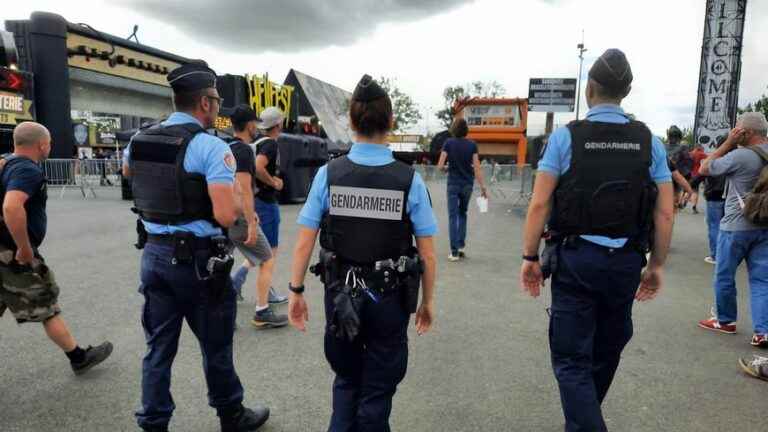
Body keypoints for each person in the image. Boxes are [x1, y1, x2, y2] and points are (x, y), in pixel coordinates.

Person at [520, 49, 674, 432]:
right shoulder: (649, 142)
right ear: (628, 91)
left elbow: (539, 202)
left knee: (571, 359)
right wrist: (656, 265)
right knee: (606, 350)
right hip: (625, 261)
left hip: (577, 260)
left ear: (589, 89)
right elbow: (665, 211)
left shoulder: (565, 138)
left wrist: (529, 256)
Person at [287, 75, 438, 432]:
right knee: (378, 390)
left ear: (351, 123)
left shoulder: (329, 174)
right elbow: (429, 255)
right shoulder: (409, 180)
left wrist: (295, 291)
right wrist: (427, 303)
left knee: (346, 379)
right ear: (391, 123)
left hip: (341, 295)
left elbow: (304, 241)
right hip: (389, 298)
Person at [123, 63, 269, 432]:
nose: (218, 108)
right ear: (205, 102)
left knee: (158, 347)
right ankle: (231, 415)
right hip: (198, 262)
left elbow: (131, 176)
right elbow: (223, 215)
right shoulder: (210, 147)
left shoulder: (138, 140)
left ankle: (153, 421)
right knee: (215, 346)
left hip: (154, 253)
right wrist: (239, 203)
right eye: (217, 101)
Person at [0, 121, 113, 376]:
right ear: (42, 145)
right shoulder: (27, 170)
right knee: (45, 302)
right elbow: (11, 206)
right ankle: (78, 357)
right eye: (49, 142)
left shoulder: (6, 162)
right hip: (12, 253)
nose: (49, 147)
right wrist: (24, 248)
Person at [697, 112, 768, 348]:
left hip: (736, 225)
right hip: (765, 226)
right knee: (761, 281)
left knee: (724, 275)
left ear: (746, 133)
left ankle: (725, 320)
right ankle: (763, 331)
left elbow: (705, 168)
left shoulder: (740, 155)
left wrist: (727, 143)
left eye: (737, 129)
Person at [226, 105, 288, 329]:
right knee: (268, 256)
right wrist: (273, 183)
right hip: (251, 209)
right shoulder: (258, 146)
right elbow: (244, 186)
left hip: (227, 213)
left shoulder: (228, 146)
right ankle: (262, 309)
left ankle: (226, 305)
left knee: (225, 261)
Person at [436, 117, 488, 261]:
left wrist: (447, 169)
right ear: (466, 130)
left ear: (453, 129)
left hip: (453, 183)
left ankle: (454, 253)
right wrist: (483, 187)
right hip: (467, 184)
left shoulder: (448, 143)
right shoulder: (472, 145)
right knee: (463, 213)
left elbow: (440, 166)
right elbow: (477, 168)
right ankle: (460, 245)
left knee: (453, 216)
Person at [702, 138, 728, 264]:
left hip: (714, 196)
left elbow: (702, 173)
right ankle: (726, 253)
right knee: (727, 227)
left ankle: (715, 255)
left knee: (714, 226)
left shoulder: (713, 159)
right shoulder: (733, 158)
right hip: (728, 196)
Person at [688, 144, 709, 213]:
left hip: (691, 174)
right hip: (700, 174)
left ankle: (683, 201)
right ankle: (694, 206)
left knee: (692, 190)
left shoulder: (690, 154)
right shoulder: (702, 154)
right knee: (696, 191)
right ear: (700, 148)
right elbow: (710, 159)